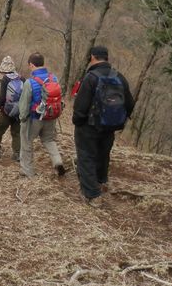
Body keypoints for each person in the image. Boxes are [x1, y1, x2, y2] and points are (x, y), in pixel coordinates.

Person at [72, 45, 135, 207]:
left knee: (86, 157)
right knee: (103, 154)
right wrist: (118, 119)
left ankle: (92, 195)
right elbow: (130, 103)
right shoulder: (119, 76)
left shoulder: (91, 77)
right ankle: (101, 181)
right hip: (110, 126)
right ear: (106, 57)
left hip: (89, 126)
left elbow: (81, 106)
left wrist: (78, 121)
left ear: (93, 57)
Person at [17, 52, 66, 178]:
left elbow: (24, 105)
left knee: (27, 141)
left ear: (31, 65)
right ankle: (57, 161)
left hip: (34, 119)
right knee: (49, 140)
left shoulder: (30, 82)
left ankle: (27, 171)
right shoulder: (53, 78)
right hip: (51, 116)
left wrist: (22, 119)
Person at [0, 56, 23, 160]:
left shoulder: (5, 79)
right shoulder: (22, 78)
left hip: (6, 112)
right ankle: (17, 154)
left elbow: (2, 99)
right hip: (19, 111)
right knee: (17, 133)